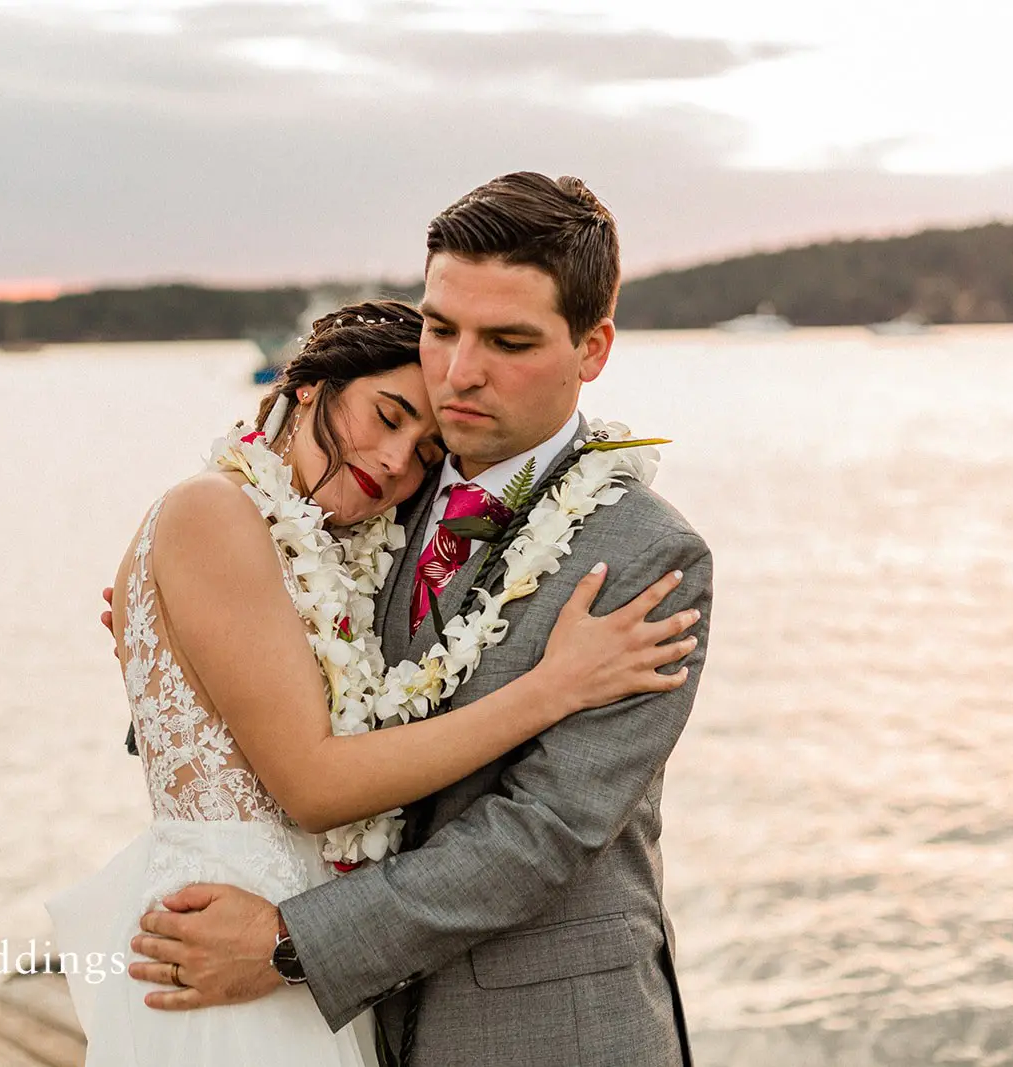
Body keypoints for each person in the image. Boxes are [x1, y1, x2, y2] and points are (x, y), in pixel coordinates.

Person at [122, 174, 713, 1067]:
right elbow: (274, 695)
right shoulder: (376, 492)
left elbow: (540, 832)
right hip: (356, 1031)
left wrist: (290, 944)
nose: (458, 372)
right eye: (442, 328)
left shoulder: (647, 553)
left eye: (508, 340)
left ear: (592, 348)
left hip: (547, 1036)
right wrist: (162, 636)